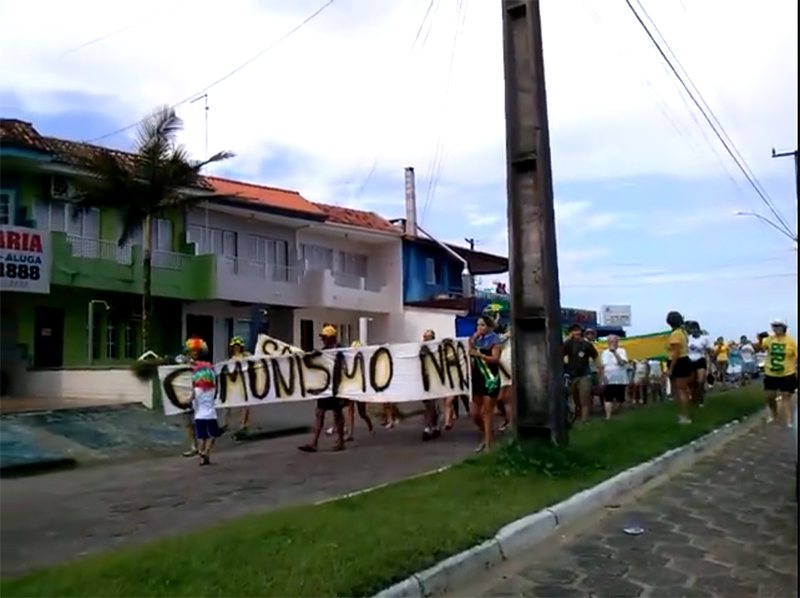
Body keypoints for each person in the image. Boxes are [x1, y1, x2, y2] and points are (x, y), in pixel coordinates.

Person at [298, 324, 347, 453]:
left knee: (337, 414)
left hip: (336, 387)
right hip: (325, 387)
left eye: (325, 337)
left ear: (332, 337)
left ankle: (341, 441)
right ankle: (314, 443)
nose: (323, 339)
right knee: (319, 413)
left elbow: (342, 368)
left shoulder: (340, 351)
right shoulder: (325, 350)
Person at [469, 316, 503, 452]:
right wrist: (474, 336)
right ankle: (488, 433)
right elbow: (469, 348)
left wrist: (479, 355)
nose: (480, 328)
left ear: (489, 326)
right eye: (478, 325)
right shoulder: (477, 339)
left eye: (482, 325)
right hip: (477, 377)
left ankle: (488, 443)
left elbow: (495, 359)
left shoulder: (494, 340)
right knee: (474, 412)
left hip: (490, 378)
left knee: (487, 412)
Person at [185, 337, 219, 466]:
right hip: (211, 415)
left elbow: (191, 397)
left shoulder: (196, 390)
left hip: (199, 416)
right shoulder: (211, 389)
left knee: (202, 436)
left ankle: (202, 453)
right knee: (213, 434)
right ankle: (206, 452)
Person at [758, 318, 798, 426]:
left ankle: (789, 419)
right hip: (771, 373)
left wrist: (796, 370)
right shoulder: (769, 339)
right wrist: (759, 340)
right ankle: (774, 413)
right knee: (770, 396)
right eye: (774, 326)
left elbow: (796, 355)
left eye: (778, 326)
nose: (776, 328)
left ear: (784, 327)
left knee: (786, 396)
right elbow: (762, 348)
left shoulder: (791, 341)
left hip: (787, 373)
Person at [563, 324, 601, 423]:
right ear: (570, 332)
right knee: (575, 398)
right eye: (574, 331)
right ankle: (578, 417)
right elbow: (559, 355)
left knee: (585, 397)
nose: (576, 332)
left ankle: (584, 420)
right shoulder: (567, 344)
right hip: (572, 375)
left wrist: (599, 369)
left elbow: (595, 356)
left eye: (578, 330)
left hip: (585, 374)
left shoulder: (586, 344)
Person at [665, 311, 693, 424]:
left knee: (680, 390)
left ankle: (684, 416)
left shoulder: (676, 334)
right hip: (683, 360)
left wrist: (671, 369)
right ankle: (682, 414)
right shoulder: (682, 332)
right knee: (681, 390)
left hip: (678, 362)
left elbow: (676, 352)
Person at [223, 336, 252, 436]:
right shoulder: (230, 359)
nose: (236, 348)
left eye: (238, 346)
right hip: (233, 382)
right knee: (228, 404)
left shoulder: (246, 356)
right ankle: (227, 423)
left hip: (244, 382)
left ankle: (243, 423)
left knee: (244, 404)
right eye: (234, 346)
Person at [421, 329, 442, 441]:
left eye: (428, 337)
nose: (426, 339)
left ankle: (428, 427)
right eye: (425, 336)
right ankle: (434, 426)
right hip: (424, 381)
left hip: (434, 380)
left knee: (430, 405)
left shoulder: (437, 349)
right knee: (429, 405)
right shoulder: (420, 349)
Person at [600, 335, 628, 420]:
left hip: (620, 378)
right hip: (608, 378)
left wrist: (614, 352)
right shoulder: (604, 352)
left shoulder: (622, 351)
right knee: (608, 398)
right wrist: (602, 376)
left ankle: (621, 415)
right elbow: (602, 366)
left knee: (621, 398)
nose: (612, 343)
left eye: (613, 341)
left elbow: (622, 363)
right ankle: (608, 417)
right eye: (610, 341)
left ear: (617, 342)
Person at [686, 321, 711, 406]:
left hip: (700, 360)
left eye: (694, 329)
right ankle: (693, 397)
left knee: (700, 381)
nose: (693, 331)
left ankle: (700, 399)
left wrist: (709, 364)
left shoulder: (704, 339)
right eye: (691, 329)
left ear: (698, 329)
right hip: (690, 360)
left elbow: (708, 352)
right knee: (691, 381)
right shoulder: (688, 338)